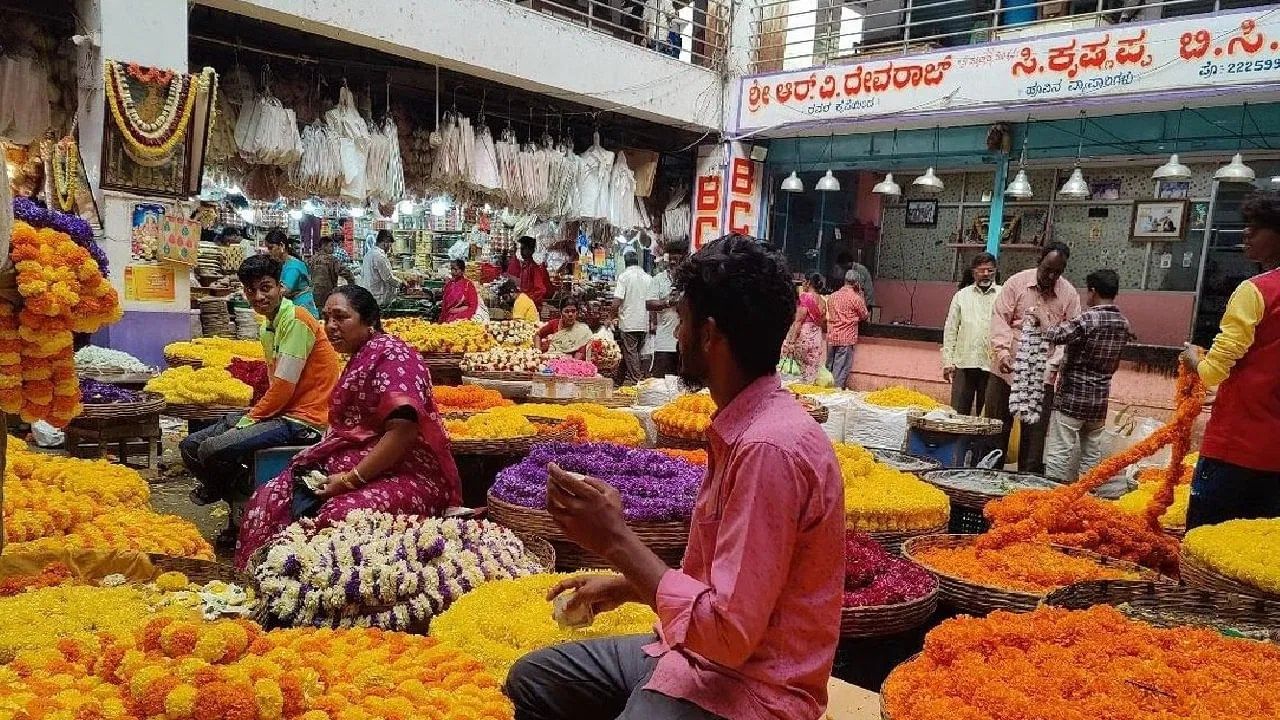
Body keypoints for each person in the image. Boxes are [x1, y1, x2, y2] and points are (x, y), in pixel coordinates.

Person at [504, 234, 844, 720]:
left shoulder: (769, 450)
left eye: (680, 321)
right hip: (695, 653)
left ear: (708, 335)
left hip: (754, 686)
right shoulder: (744, 426)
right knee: (532, 681)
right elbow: (722, 584)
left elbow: (728, 634)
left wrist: (616, 539)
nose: (676, 334)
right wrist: (625, 584)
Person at [235, 285, 463, 569]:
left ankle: (310, 589)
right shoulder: (362, 354)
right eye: (326, 317)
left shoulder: (393, 357)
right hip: (363, 468)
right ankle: (263, 578)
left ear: (368, 321)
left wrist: (349, 480)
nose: (330, 326)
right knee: (271, 495)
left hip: (411, 473)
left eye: (341, 317)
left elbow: (402, 432)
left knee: (340, 516)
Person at [181, 255, 341, 548]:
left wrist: (250, 418)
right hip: (282, 410)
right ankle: (236, 492)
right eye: (250, 290)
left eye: (265, 287)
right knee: (189, 446)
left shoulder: (295, 321)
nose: (258, 296)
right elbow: (277, 386)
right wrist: (252, 416)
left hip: (304, 420)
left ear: (280, 286)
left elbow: (282, 387)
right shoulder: (269, 325)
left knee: (211, 448)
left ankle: (242, 496)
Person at [1181, 192, 1280, 529]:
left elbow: (1213, 372)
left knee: (1204, 546)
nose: (1246, 234)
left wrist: (1193, 358)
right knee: (1256, 555)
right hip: (1275, 456)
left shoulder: (1256, 291)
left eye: (1256, 227)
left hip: (1235, 446)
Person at [986, 242, 1081, 473]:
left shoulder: (1068, 294)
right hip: (1006, 371)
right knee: (996, 431)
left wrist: (1052, 366)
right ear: (1039, 261)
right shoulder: (1016, 283)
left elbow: (1071, 334)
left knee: (1034, 439)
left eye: (1057, 272)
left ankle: (1026, 489)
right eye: (1047, 269)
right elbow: (1000, 319)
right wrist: (1003, 353)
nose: (1050, 276)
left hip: (1042, 375)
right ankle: (988, 480)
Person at [1041, 269, 1130, 483]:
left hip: (1072, 400)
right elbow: (1115, 363)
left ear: (1093, 291)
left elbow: (1055, 335)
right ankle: (1086, 497)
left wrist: (1040, 316)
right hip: (1099, 402)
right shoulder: (1123, 323)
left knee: (1059, 452)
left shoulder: (1087, 319)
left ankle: (1052, 498)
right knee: (1091, 454)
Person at [942, 252, 1001, 415]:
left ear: (995, 271)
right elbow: (950, 330)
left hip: (992, 364)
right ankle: (958, 441)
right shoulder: (961, 296)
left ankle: (981, 442)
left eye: (990, 270)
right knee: (958, 412)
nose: (986, 274)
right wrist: (947, 361)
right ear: (973, 272)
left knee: (989, 413)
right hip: (964, 362)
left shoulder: (1003, 295)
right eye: (981, 270)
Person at [645, 241, 689, 379]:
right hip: (665, 344)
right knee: (662, 385)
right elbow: (649, 304)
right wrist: (669, 302)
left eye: (677, 260)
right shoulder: (659, 279)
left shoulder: (691, 279)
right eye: (671, 260)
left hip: (687, 345)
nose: (674, 263)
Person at [826, 269, 871, 389]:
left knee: (829, 367)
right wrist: (861, 294)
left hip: (831, 336)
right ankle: (834, 394)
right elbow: (865, 315)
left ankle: (824, 391)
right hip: (846, 338)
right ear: (856, 283)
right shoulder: (856, 298)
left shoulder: (832, 296)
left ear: (845, 281)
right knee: (840, 370)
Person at [613, 252, 652, 385]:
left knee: (631, 354)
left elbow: (617, 300)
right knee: (631, 353)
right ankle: (619, 379)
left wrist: (610, 316)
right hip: (644, 322)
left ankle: (637, 381)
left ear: (625, 262)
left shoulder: (624, 277)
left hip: (629, 322)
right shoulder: (648, 278)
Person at [784, 274, 828, 382]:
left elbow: (799, 321)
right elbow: (823, 323)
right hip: (816, 338)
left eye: (804, 281)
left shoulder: (805, 298)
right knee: (812, 370)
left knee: (800, 370)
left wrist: (791, 342)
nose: (802, 284)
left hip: (804, 336)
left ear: (808, 283)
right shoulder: (823, 301)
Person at [266, 230, 319, 318]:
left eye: (271, 248)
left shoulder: (293, 266)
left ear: (282, 245)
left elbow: (285, 290)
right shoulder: (284, 264)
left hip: (302, 309)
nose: (269, 252)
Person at [307, 234, 356, 312]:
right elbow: (346, 272)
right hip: (327, 294)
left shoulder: (312, 259)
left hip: (314, 293)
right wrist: (352, 285)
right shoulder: (331, 259)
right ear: (324, 246)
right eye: (331, 246)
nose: (333, 248)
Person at [507, 236, 552, 311]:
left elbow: (540, 290)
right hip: (525, 305)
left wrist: (526, 299)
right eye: (521, 249)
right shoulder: (525, 266)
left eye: (524, 249)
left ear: (531, 250)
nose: (521, 252)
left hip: (532, 307)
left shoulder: (535, 268)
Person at [360, 229, 399, 307]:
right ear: (385, 243)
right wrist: (401, 284)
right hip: (378, 298)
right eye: (390, 245)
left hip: (371, 295)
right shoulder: (379, 256)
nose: (389, 248)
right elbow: (387, 278)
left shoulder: (369, 253)